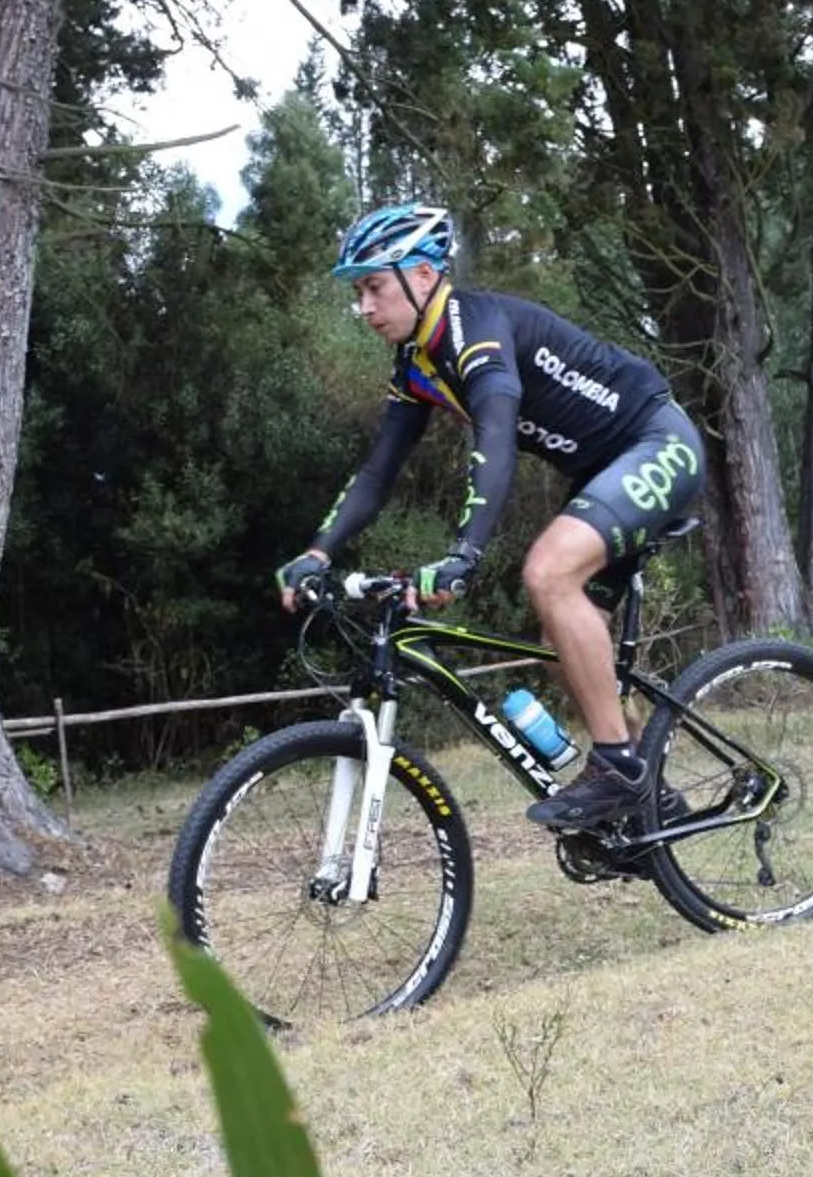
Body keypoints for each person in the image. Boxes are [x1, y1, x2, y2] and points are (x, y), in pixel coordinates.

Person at [277, 203, 707, 830]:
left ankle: (616, 766)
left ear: (423, 276)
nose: (364, 307)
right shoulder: (417, 366)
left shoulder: (474, 327)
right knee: (556, 646)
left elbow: (496, 438)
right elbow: (377, 473)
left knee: (548, 575)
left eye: (373, 286)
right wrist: (317, 552)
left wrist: (463, 556)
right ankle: (644, 787)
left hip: (656, 442)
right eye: (358, 292)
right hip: (601, 472)